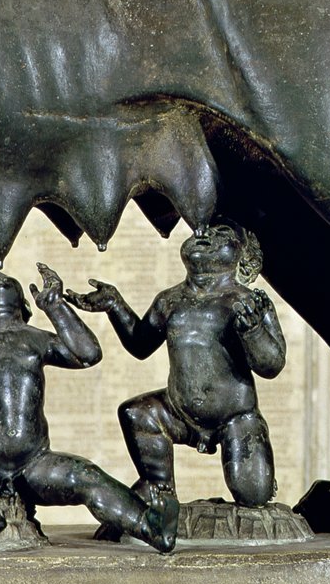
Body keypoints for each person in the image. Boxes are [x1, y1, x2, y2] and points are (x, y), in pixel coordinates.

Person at [0, 263, 175, 551]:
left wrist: (56, 306)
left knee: (85, 476)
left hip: (34, 461)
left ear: (21, 302)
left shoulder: (35, 337)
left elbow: (87, 353)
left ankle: (150, 525)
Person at [66, 222, 285, 536]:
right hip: (177, 412)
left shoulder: (247, 302)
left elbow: (272, 364)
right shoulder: (170, 300)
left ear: (242, 254)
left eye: (221, 234)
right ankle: (159, 490)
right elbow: (141, 344)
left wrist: (252, 330)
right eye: (202, 231)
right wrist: (115, 305)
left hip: (235, 418)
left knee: (254, 496)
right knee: (137, 413)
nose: (205, 235)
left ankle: (255, 467)